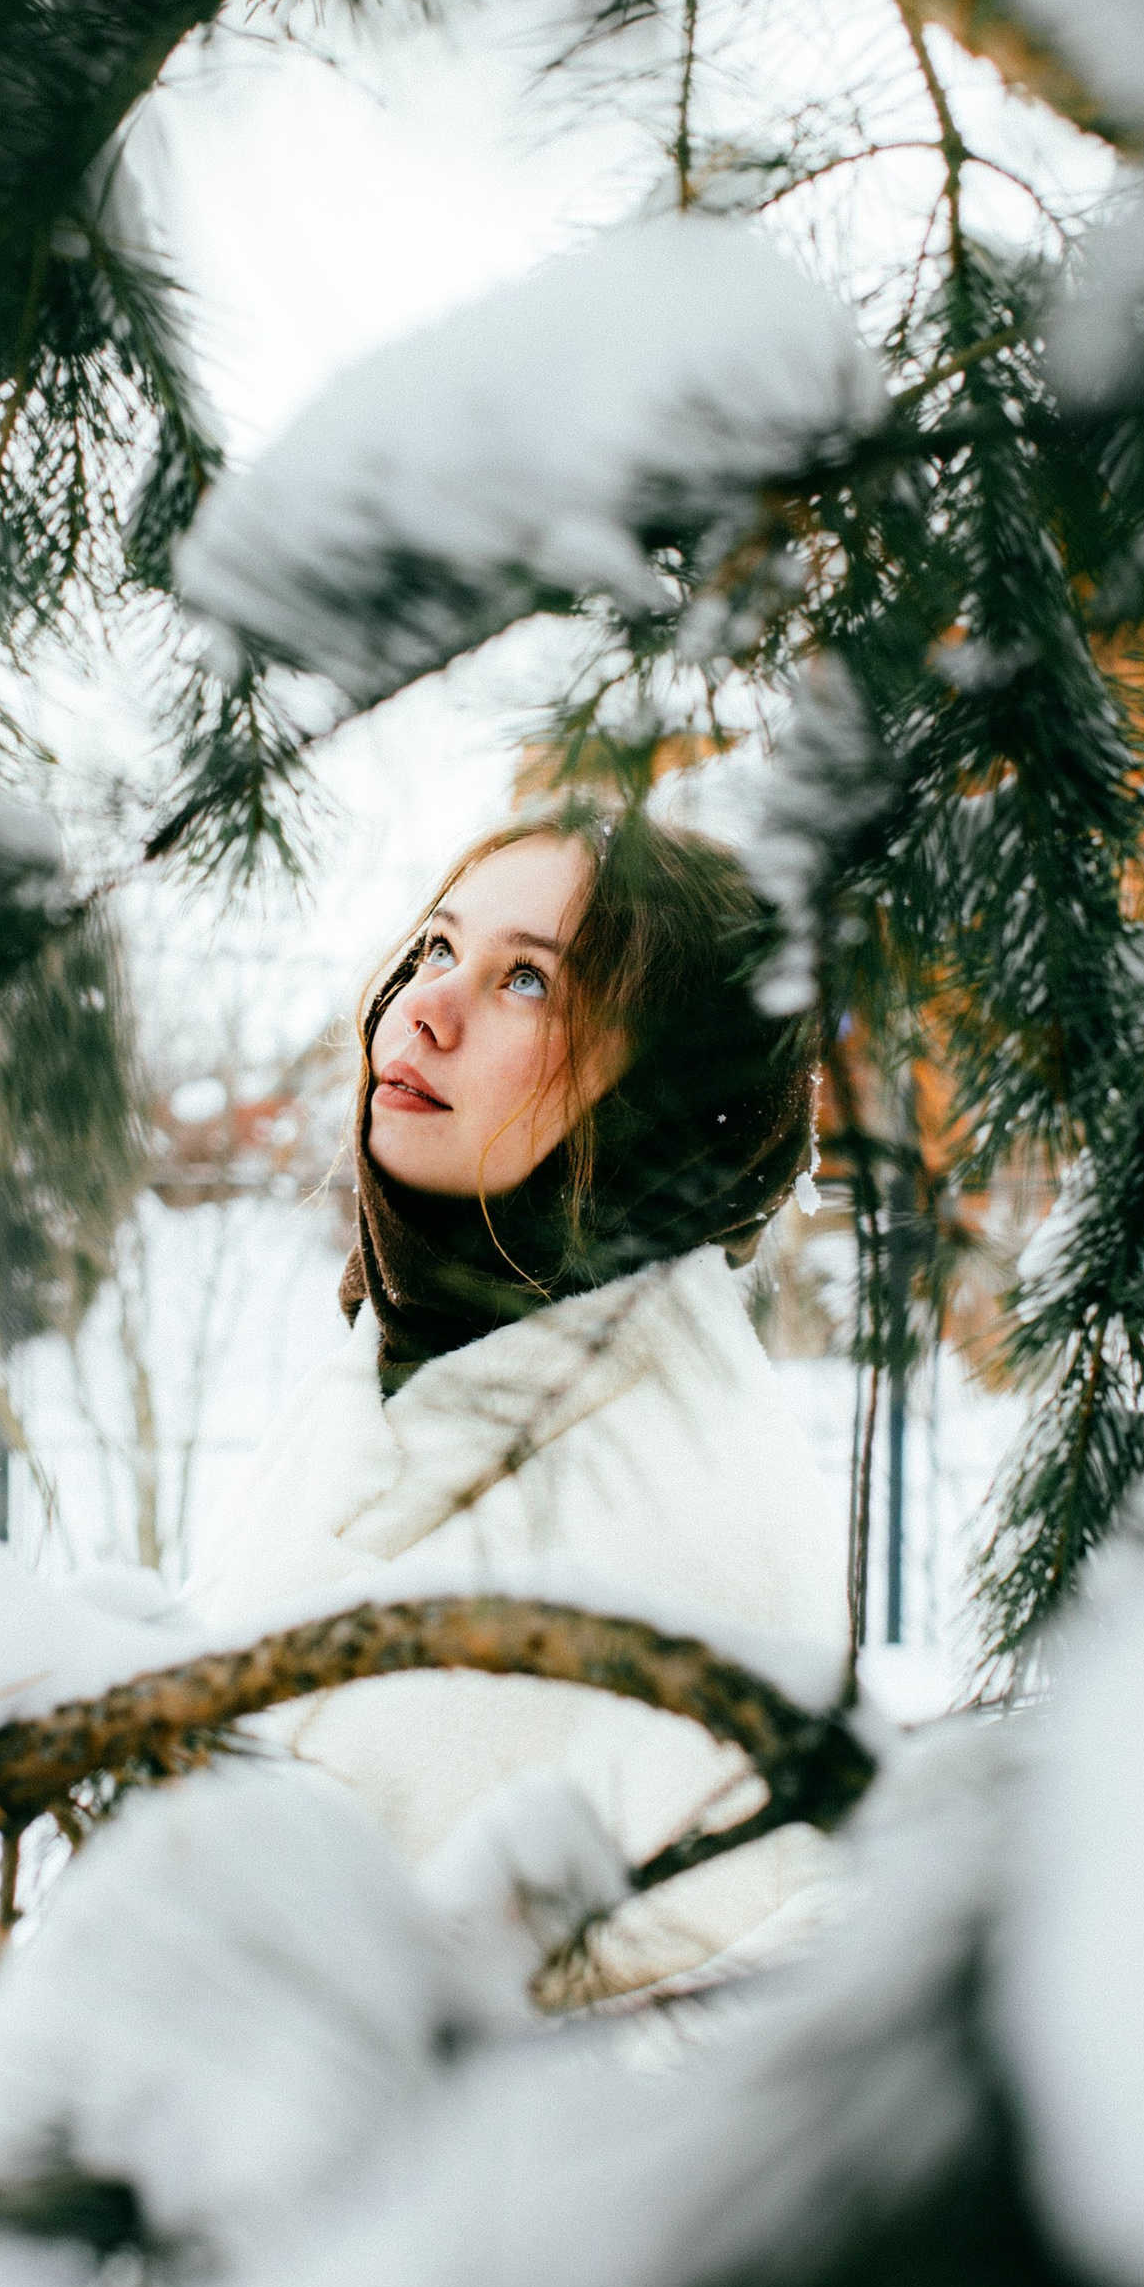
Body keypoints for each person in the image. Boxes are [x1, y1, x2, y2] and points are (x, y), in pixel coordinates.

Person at [191, 803, 849, 1990]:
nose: (425, 1008)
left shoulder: (695, 1529)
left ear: (656, 1098)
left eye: (530, 983)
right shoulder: (394, 1360)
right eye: (438, 949)